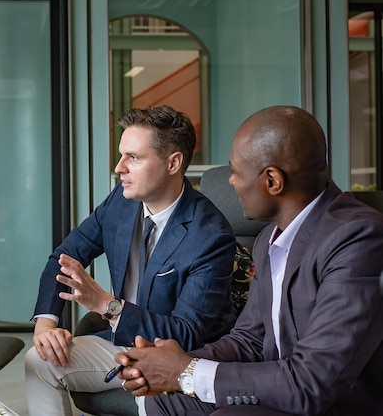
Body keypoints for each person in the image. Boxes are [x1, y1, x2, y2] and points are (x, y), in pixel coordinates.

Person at [116, 105, 383, 416]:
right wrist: (173, 363)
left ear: (272, 181)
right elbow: (249, 340)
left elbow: (314, 381)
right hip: (283, 388)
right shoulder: (269, 239)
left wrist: (186, 373)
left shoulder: (357, 238)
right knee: (164, 398)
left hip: (332, 404)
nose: (230, 182)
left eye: (236, 172)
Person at [25, 105, 238, 416]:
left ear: (173, 162)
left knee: (150, 399)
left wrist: (106, 305)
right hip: (124, 340)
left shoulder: (210, 235)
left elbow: (187, 333)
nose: (118, 167)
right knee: (39, 360)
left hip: (179, 355)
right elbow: (64, 257)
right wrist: (46, 326)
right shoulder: (120, 203)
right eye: (121, 155)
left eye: (133, 158)